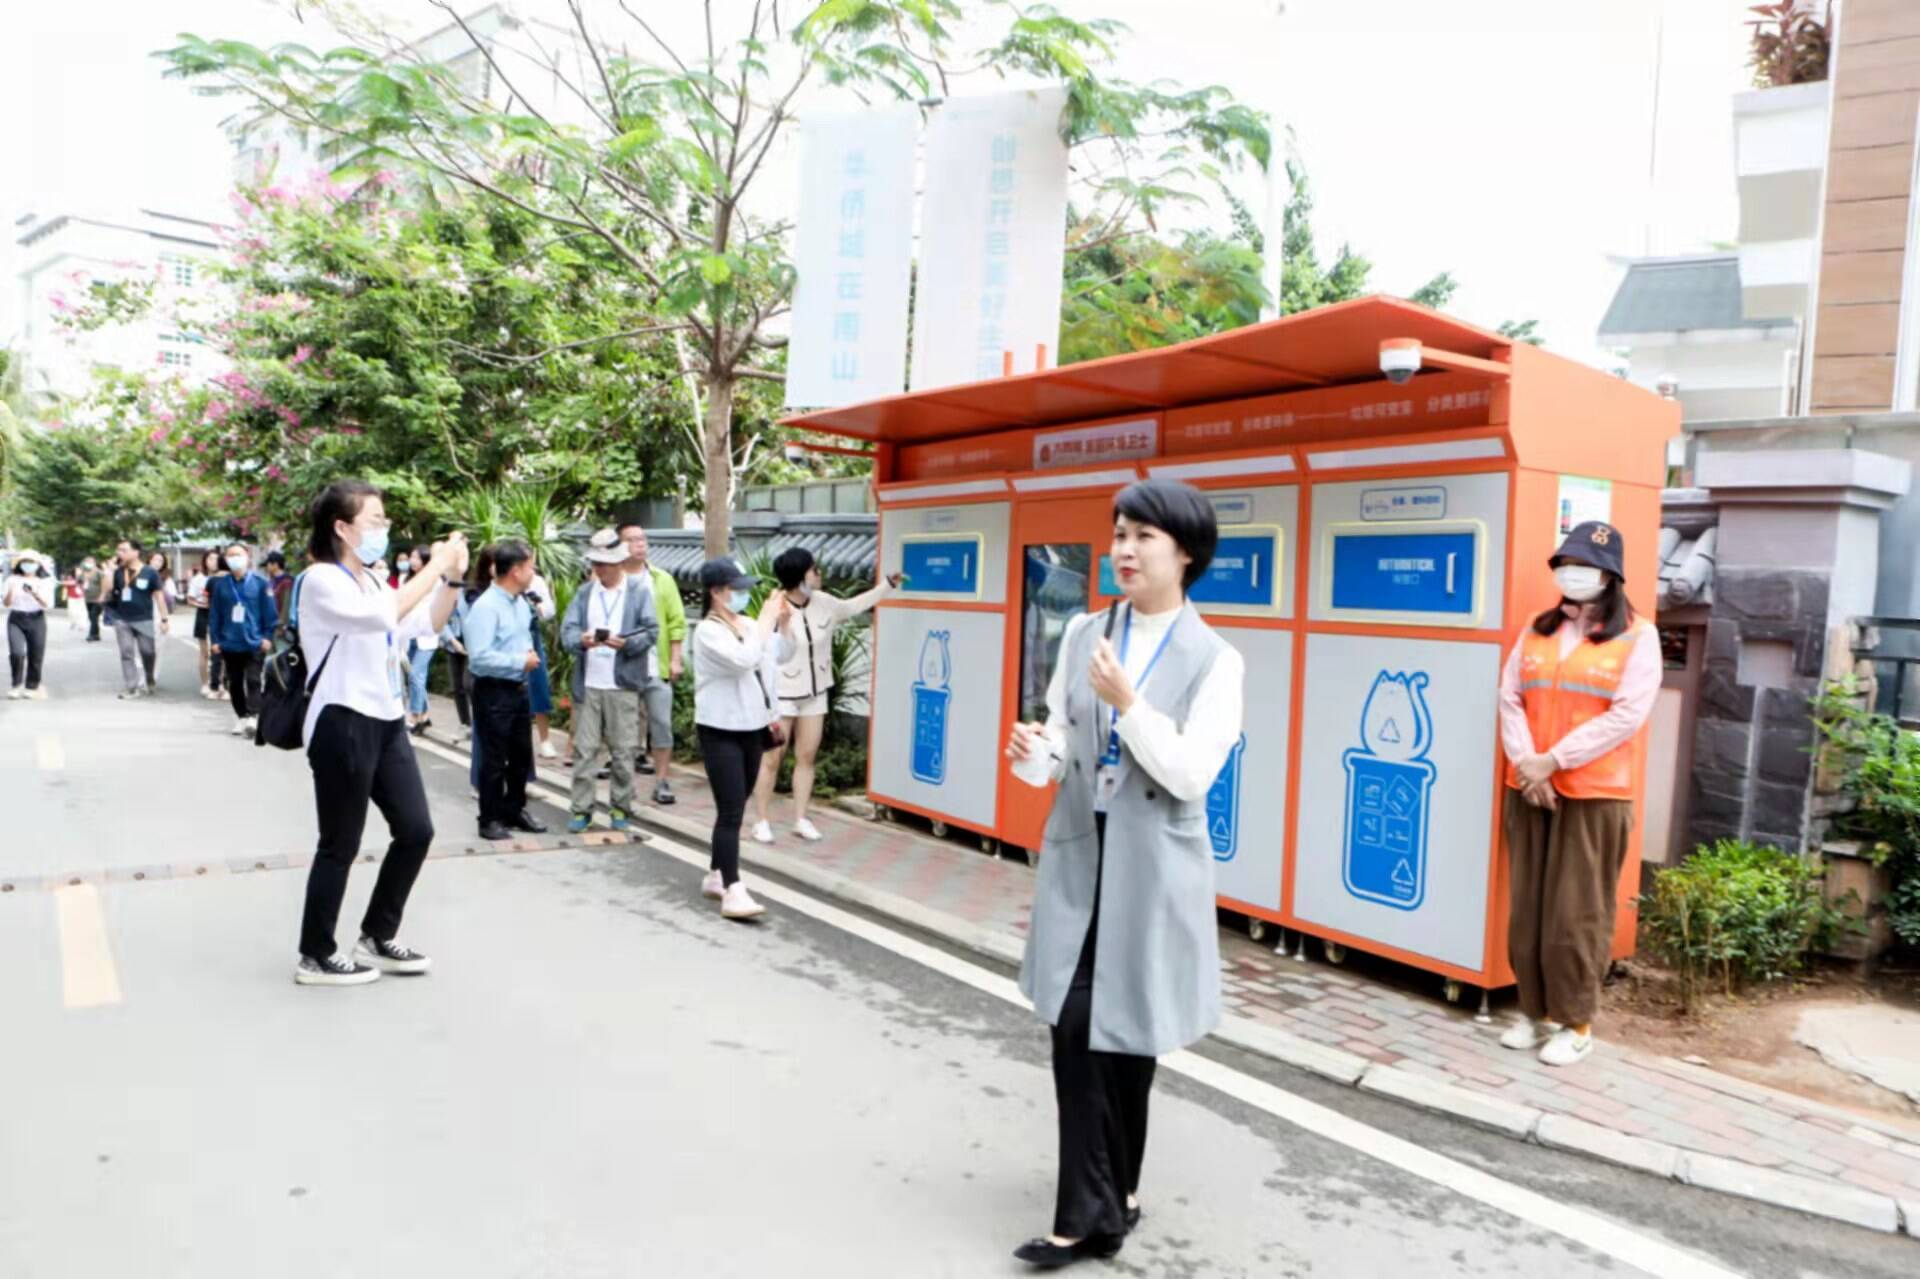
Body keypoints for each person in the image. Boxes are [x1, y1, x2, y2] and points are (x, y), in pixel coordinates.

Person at [1004, 480, 1244, 1270]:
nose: (1124, 549)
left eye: (1143, 536)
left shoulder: (1218, 660)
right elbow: (1065, 744)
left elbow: (1186, 774)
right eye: (1118, 533)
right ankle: (1086, 1217)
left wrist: (1131, 703)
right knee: (1078, 1023)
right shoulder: (1083, 631)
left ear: (1186, 553)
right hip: (1084, 849)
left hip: (1155, 864)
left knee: (1130, 1032)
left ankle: (1121, 1191)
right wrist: (1036, 753)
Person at [293, 479, 467, 986]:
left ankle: (377, 934)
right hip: (341, 720)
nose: (384, 530)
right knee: (340, 843)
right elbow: (382, 616)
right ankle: (315, 953)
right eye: (375, 521)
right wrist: (434, 564)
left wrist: (452, 579)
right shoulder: (321, 580)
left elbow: (423, 623)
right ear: (342, 528)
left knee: (416, 830)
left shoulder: (372, 581)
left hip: (387, 719)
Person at [1497, 521, 1658, 1068]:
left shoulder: (1639, 636)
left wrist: (1553, 761)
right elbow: (1510, 698)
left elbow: (1628, 715)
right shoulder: (1537, 630)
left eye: (1584, 565)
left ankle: (1577, 1022)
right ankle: (1534, 1012)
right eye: (1565, 563)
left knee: (1576, 913)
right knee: (1530, 909)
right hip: (1529, 788)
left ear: (1610, 575)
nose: (1572, 573)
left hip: (1593, 794)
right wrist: (1528, 766)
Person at [751, 549, 900, 845]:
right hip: (783, 695)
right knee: (772, 759)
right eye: (813, 569)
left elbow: (856, 605)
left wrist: (888, 585)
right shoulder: (775, 606)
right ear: (798, 577)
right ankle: (762, 820)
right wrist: (779, 623)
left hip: (816, 692)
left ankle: (801, 818)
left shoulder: (825, 603)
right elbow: (760, 647)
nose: (818, 573)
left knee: (807, 756)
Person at [691, 557, 793, 920]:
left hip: (753, 727)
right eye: (737, 589)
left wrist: (783, 624)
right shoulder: (707, 632)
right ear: (717, 593)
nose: (745, 595)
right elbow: (743, 659)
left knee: (733, 806)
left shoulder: (750, 624)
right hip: (720, 729)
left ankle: (716, 875)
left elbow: (780, 655)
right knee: (733, 810)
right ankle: (733, 889)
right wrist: (765, 624)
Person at [560, 529, 660, 833]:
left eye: (604, 563)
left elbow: (651, 631)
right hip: (589, 682)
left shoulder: (639, 592)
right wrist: (582, 639)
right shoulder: (585, 592)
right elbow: (567, 632)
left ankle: (621, 806)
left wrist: (626, 644)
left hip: (623, 683)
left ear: (618, 563)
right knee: (585, 749)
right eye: (596, 563)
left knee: (623, 750)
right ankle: (581, 809)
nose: (599, 568)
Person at [464, 540, 549, 842]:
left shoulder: (521, 603)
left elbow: (522, 638)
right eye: (530, 566)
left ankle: (514, 808)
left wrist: (525, 657)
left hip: (517, 687)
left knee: (521, 754)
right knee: (494, 757)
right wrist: (519, 660)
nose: (533, 571)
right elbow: (480, 657)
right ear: (515, 571)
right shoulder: (486, 607)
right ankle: (489, 818)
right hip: (493, 690)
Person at [620, 523, 687, 805]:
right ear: (620, 545)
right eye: (633, 540)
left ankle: (661, 781)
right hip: (622, 668)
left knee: (661, 724)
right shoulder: (614, 580)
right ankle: (625, 785)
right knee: (622, 729)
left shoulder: (662, 579)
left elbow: (676, 621)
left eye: (643, 539)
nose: (640, 544)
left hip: (655, 666)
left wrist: (675, 658)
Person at [208, 543, 278, 737]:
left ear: (247, 557)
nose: (234, 558)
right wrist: (214, 639)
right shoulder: (221, 585)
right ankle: (241, 716)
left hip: (254, 641)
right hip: (230, 642)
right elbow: (215, 615)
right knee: (235, 682)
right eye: (230, 555)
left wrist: (267, 637)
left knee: (254, 679)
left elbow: (270, 614)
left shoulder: (260, 583)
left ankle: (253, 717)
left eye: (238, 554)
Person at [109, 539, 169, 698]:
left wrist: (164, 619)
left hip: (144, 618)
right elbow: (114, 593)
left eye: (123, 550)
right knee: (126, 652)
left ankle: (149, 677)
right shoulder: (118, 572)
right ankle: (131, 687)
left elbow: (159, 596)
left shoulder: (150, 572)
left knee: (148, 652)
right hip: (122, 619)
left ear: (136, 552)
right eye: (118, 550)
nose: (119, 553)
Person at [5, 553, 56, 699]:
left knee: (36, 654)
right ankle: (16, 685)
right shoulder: (12, 580)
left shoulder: (44, 581)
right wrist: (11, 591)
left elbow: (48, 604)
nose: (28, 565)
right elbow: (6, 603)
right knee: (17, 652)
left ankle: (32, 686)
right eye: (25, 562)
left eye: (31, 562)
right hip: (16, 618)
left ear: (38, 565)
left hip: (36, 618)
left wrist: (35, 594)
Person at [401, 546, 439, 735]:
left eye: (416, 557)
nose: (412, 560)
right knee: (416, 677)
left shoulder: (435, 582)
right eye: (411, 556)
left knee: (416, 675)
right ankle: (424, 715)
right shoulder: (405, 580)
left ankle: (414, 715)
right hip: (410, 636)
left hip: (427, 636)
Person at [525, 566, 560, 760]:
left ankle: (545, 739)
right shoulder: (503, 580)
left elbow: (550, 610)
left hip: (532, 634)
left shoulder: (536, 581)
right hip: (509, 638)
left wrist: (537, 606)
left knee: (539, 686)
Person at [189, 549, 228, 700]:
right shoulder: (199, 578)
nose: (212, 561)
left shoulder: (226, 577)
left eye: (215, 559)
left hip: (221, 617)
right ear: (205, 561)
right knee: (204, 651)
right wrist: (202, 604)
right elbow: (191, 599)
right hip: (204, 615)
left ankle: (220, 682)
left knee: (220, 651)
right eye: (209, 559)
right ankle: (206, 683)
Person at [263, 550, 295, 641]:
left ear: (276, 565)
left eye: (268, 564)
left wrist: (281, 627)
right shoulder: (272, 581)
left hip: (281, 630)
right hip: (271, 626)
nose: (267, 567)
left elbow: (286, 606)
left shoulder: (287, 582)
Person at [80, 557, 104, 642]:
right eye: (86, 561)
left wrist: (102, 596)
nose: (88, 563)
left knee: (94, 615)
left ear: (94, 563)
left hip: (97, 598)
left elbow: (103, 584)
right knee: (92, 617)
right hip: (88, 598)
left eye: (90, 562)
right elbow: (79, 581)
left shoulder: (99, 573)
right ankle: (96, 634)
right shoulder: (83, 573)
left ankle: (92, 635)